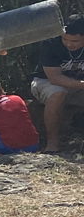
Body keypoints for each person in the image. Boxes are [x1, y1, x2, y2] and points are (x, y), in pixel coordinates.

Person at [31, 15, 84, 152]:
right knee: (57, 92)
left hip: (78, 86)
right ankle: (52, 144)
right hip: (46, 82)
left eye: (75, 41)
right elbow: (55, 78)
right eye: (65, 39)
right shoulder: (51, 43)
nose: (69, 44)